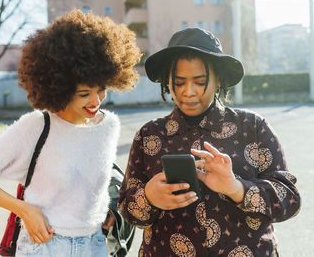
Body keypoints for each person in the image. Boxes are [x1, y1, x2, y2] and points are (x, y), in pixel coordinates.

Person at [0, 9, 141, 257]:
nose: (96, 100)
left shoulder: (109, 126)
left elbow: (93, 184)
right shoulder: (37, 126)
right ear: (60, 87)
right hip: (44, 246)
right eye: (84, 93)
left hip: (95, 245)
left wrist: (105, 211)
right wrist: (24, 210)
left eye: (102, 89)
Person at [118, 28, 301, 257]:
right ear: (168, 81)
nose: (189, 92)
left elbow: (289, 200)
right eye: (179, 82)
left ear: (219, 79)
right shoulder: (148, 136)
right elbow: (126, 209)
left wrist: (236, 188)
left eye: (200, 81)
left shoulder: (254, 128)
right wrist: (149, 197)